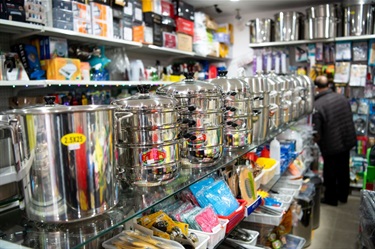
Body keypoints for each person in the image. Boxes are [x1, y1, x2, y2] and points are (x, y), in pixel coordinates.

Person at [312, 75, 357, 206]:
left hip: (331, 144)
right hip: (346, 140)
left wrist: (315, 140)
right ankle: (343, 196)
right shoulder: (342, 98)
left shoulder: (318, 105)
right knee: (343, 169)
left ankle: (331, 198)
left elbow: (317, 132)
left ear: (316, 88)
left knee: (330, 172)